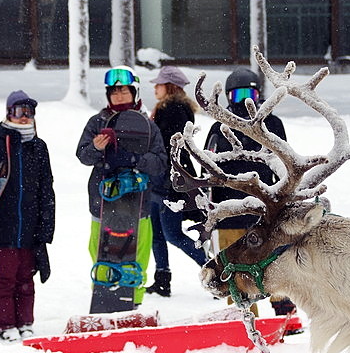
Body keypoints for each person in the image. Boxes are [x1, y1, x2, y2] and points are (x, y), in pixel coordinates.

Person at [203, 67, 297, 317]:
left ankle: (285, 312)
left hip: (265, 210)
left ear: (258, 96)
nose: (245, 102)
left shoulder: (273, 123)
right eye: (238, 96)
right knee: (235, 271)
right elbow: (208, 167)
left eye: (250, 94)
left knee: (275, 262)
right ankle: (244, 319)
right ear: (228, 98)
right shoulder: (219, 128)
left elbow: (285, 163)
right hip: (230, 211)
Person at [76, 65, 167, 306]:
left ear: (134, 92)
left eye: (124, 91)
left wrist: (135, 160)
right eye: (114, 92)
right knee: (101, 252)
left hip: (138, 206)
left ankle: (133, 303)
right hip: (102, 203)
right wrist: (96, 148)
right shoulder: (97, 122)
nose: (119, 95)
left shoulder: (148, 125)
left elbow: (160, 164)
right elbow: (83, 156)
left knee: (137, 256)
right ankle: (104, 297)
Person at [0, 91, 55, 341]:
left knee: (26, 276)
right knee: (7, 275)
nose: (24, 118)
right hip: (2, 225)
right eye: (19, 112)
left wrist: (46, 226)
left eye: (28, 113)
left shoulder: (38, 147)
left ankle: (25, 321)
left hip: (30, 225)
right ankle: (2, 323)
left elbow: (46, 188)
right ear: (9, 113)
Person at [146, 66, 207, 297]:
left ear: (169, 86)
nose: (155, 87)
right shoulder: (169, 108)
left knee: (172, 234)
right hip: (161, 179)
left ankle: (214, 268)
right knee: (157, 233)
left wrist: (172, 182)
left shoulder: (174, 109)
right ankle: (162, 280)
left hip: (170, 181)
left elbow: (172, 147)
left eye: (158, 84)